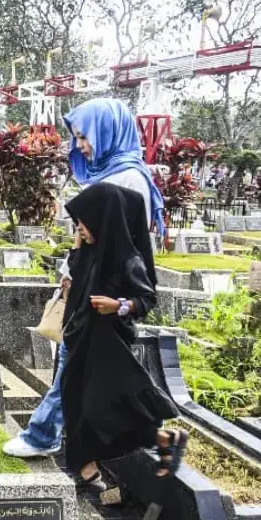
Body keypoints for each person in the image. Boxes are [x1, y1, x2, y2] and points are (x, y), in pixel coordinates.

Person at [4, 97, 163, 459]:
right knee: (87, 372)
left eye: (84, 137)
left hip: (101, 292)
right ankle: (139, 441)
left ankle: (43, 435)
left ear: (108, 132)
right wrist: (70, 271)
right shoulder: (109, 173)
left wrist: (91, 284)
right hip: (87, 283)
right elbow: (87, 235)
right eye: (76, 137)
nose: (80, 146)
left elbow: (121, 243)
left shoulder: (127, 177)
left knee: (73, 366)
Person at [56, 183, 184, 488]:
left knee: (102, 409)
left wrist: (119, 305)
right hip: (82, 341)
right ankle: (87, 467)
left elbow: (147, 299)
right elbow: (76, 271)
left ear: (103, 220)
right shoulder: (90, 253)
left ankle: (161, 439)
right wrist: (78, 245)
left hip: (107, 346)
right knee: (75, 403)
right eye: (77, 223)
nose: (79, 228)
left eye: (84, 222)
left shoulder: (127, 260)